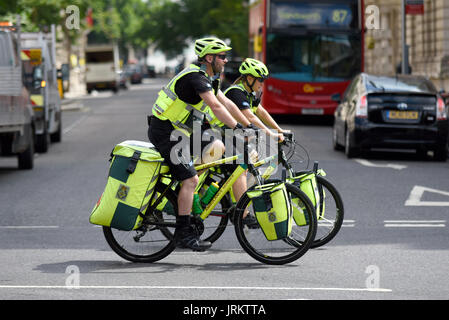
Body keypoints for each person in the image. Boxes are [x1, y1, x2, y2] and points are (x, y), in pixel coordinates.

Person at [147, 37, 251, 251]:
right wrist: (237, 128)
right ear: (209, 58)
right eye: (222, 56)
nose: (225, 60)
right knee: (190, 178)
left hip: (183, 131)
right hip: (165, 132)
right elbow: (215, 106)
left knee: (219, 147)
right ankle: (183, 231)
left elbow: (227, 102)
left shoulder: (210, 78)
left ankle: (192, 190)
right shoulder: (195, 77)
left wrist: (248, 125)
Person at [213, 58, 290, 226]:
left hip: (234, 135)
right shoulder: (236, 92)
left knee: (249, 162)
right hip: (220, 134)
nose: (262, 84)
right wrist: (270, 133)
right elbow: (250, 116)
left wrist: (280, 130)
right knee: (241, 166)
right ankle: (242, 213)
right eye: (260, 80)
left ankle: (235, 196)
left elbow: (261, 112)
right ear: (249, 78)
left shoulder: (250, 93)